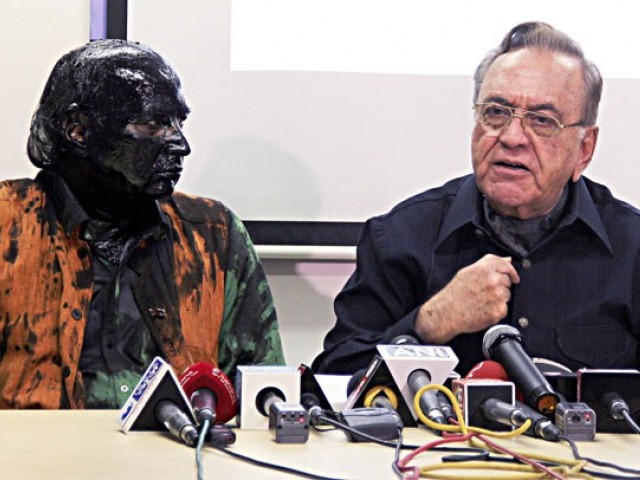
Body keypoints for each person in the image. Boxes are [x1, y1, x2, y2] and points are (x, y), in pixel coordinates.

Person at [312, 21, 640, 378]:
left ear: (584, 150)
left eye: (542, 121)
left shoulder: (632, 247)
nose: (512, 137)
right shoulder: (399, 238)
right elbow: (334, 382)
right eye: (496, 112)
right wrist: (429, 323)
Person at [0, 40, 284, 409]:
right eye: (153, 124)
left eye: (179, 122)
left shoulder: (214, 234)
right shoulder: (9, 227)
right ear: (77, 130)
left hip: (178, 460)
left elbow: (261, 391)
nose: (181, 144)